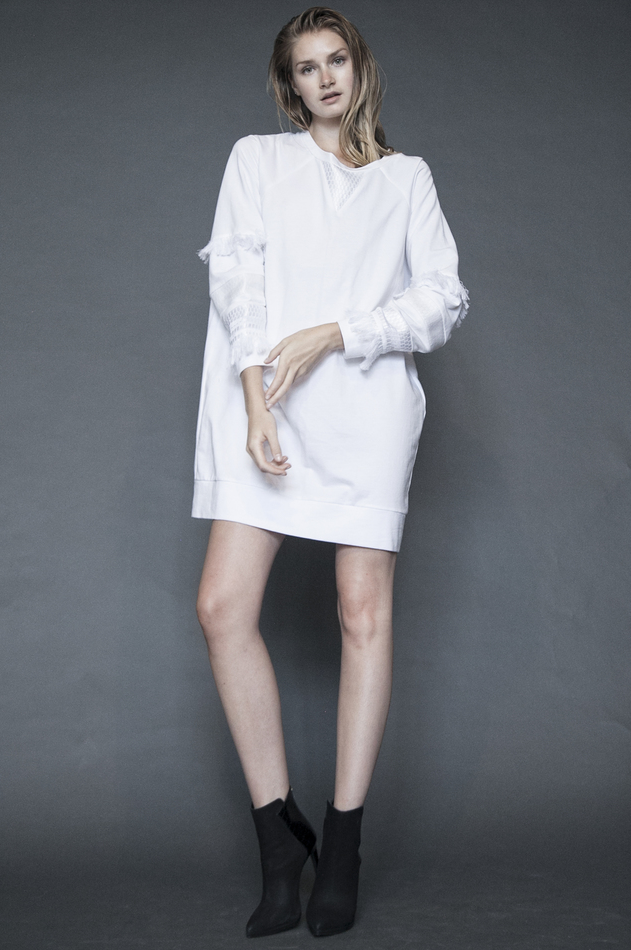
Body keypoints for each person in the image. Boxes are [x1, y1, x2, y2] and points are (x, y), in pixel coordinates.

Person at [193, 6, 468, 938]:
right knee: (222, 607)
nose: (324, 78)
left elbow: (441, 299)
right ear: (289, 85)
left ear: (359, 69)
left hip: (365, 413)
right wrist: (255, 400)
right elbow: (236, 278)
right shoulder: (256, 162)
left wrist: (340, 332)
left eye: (336, 59)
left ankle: (341, 842)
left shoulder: (404, 179)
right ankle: (279, 843)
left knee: (361, 613)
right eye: (306, 67)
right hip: (269, 408)